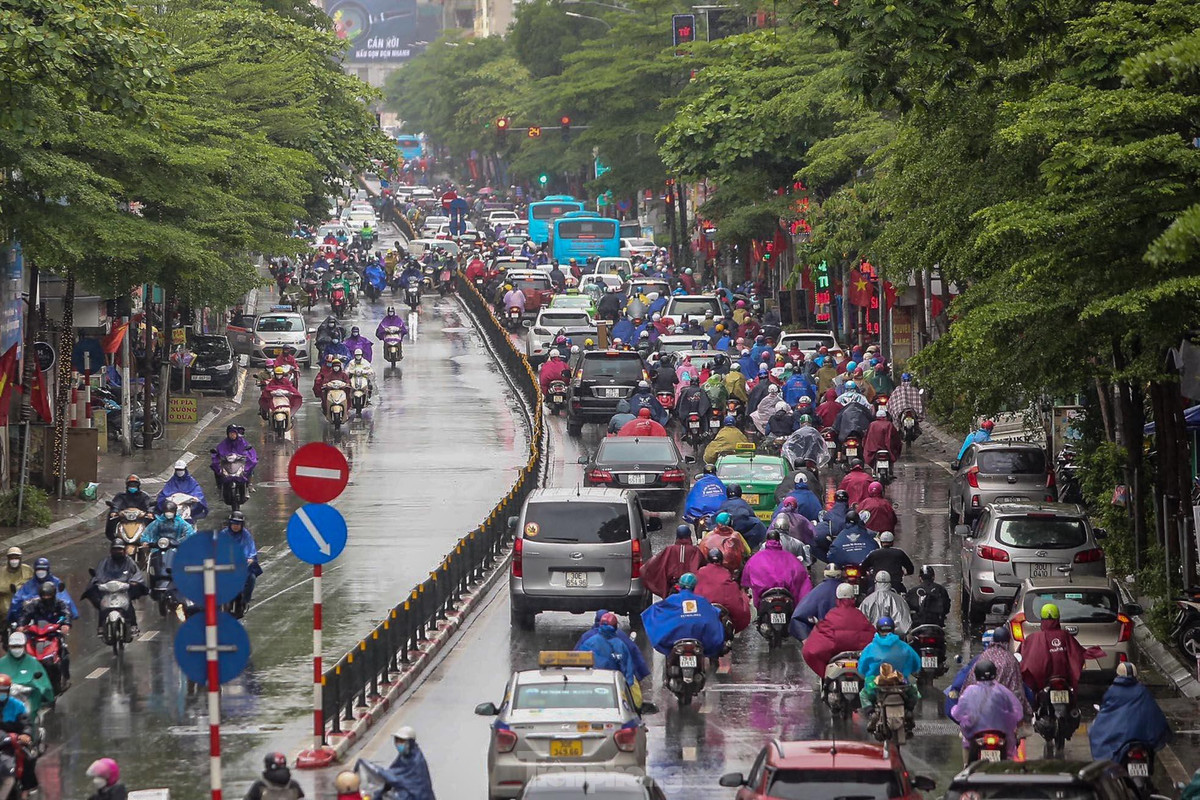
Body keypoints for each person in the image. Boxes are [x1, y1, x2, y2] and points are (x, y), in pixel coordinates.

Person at [1088, 663, 1171, 765]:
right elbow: (1154, 713)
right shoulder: (1142, 690)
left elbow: (1107, 712)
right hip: (1142, 738)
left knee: (1093, 730)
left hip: (1121, 740)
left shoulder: (1113, 691)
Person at [951, 659, 1024, 760]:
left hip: (975, 735)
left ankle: (965, 766)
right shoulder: (1003, 691)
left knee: (964, 739)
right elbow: (1018, 712)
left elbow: (958, 713)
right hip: (1002, 736)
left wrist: (954, 709)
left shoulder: (969, 691)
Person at [641, 573, 726, 658]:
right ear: (694, 585)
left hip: (676, 638)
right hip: (699, 637)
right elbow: (712, 612)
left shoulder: (672, 599)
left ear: (680, 585)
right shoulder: (701, 600)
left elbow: (658, 609)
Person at [802, 583, 875, 676]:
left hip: (836, 661)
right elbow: (870, 634)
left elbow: (813, 648)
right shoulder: (860, 615)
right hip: (858, 656)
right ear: (853, 598)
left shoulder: (832, 615)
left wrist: (824, 673)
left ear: (837, 599)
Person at [857, 617, 921, 720]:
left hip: (877, 684)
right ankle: (908, 711)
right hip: (900, 682)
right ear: (893, 629)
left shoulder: (871, 647)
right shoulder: (903, 646)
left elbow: (862, 668)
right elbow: (916, 664)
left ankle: (871, 714)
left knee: (863, 694)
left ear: (878, 630)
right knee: (913, 692)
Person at [1019, 603, 1087, 693]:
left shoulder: (1033, 638)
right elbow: (1077, 654)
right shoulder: (1065, 635)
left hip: (1043, 682)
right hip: (1063, 679)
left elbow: (1024, 658)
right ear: (1058, 618)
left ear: (1042, 619)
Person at [83, 540, 148, 635]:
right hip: (108, 589)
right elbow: (99, 575)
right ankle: (101, 626)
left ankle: (133, 625)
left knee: (128, 603)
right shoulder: (105, 562)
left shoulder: (129, 562)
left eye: (119, 549)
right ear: (111, 550)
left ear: (124, 551)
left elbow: (137, 573)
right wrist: (98, 583)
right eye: (115, 549)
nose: (117, 552)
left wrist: (134, 582)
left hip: (124, 589)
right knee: (102, 603)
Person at [575, 609, 651, 685]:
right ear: (615, 626)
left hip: (592, 681)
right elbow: (632, 657)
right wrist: (636, 677)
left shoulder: (587, 638)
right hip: (613, 682)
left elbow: (577, 658)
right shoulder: (621, 640)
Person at [741, 529, 812, 606]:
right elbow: (803, 579)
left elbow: (746, 580)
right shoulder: (791, 558)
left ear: (767, 540)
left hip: (763, 600)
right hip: (787, 599)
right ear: (779, 540)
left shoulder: (755, 559)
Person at [8, 556, 79, 626]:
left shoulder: (56, 582)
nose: (45, 597)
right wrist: (19, 623)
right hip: (35, 621)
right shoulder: (29, 585)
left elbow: (65, 604)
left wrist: (65, 623)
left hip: (54, 621)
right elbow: (18, 601)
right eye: (38, 570)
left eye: (48, 595)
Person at [0, 631, 55, 718]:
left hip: (27, 699)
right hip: (5, 701)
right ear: (9, 647)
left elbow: (44, 683)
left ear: (24, 646)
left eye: (19, 646)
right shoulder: (1, 663)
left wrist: (48, 696)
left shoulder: (33, 663)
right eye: (14, 646)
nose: (16, 649)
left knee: (29, 721)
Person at [695, 549, 751, 632]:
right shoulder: (725, 572)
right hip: (720, 607)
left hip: (704, 606)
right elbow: (733, 594)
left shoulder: (700, 572)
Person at [642, 525, 706, 598]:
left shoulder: (669, 550)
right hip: (691, 587)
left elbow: (653, 564)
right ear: (689, 536)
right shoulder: (695, 551)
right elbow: (703, 567)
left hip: (672, 586)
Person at [378, 727, 435, 800]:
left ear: (410, 742)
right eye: (397, 741)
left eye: (402, 741)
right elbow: (394, 771)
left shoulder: (416, 761)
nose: (398, 744)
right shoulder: (403, 757)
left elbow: (407, 781)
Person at [789, 567, 845, 641]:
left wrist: (807, 641)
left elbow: (798, 618)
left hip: (824, 641)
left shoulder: (817, 592)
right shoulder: (846, 591)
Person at [224, 512, 261, 609]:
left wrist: (250, 559)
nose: (236, 526)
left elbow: (251, 550)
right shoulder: (223, 534)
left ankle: (245, 600)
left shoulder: (246, 535)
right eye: (234, 523)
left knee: (251, 577)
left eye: (238, 524)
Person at [105, 475, 154, 541]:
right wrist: (114, 511)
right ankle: (114, 538)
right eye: (131, 484)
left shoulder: (144, 496)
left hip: (140, 519)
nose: (132, 486)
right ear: (127, 485)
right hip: (124, 519)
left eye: (134, 484)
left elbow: (149, 505)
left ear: (138, 485)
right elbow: (116, 504)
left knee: (153, 520)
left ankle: (150, 540)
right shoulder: (121, 496)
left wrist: (150, 512)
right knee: (111, 519)